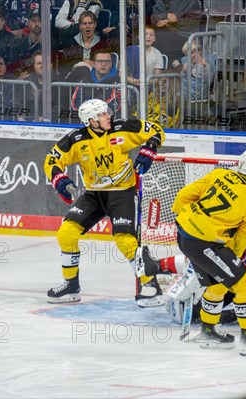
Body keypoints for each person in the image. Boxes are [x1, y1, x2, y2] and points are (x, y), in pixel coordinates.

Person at [43, 98, 166, 307]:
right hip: (94, 194)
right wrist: (59, 180)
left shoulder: (122, 128)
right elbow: (52, 159)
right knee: (67, 233)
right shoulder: (76, 139)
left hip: (122, 193)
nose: (108, 116)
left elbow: (156, 130)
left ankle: (151, 286)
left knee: (125, 242)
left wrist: (149, 150)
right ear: (91, 121)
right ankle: (71, 286)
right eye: (102, 114)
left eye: (107, 112)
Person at [169, 149, 246, 356]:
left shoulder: (219, 174)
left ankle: (208, 331)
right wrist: (233, 256)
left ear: (239, 164)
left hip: (184, 234)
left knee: (218, 285)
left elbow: (183, 196)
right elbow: (244, 236)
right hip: (204, 243)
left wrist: (186, 222)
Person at [66, 49, 121, 113]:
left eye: (107, 61)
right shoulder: (83, 80)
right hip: (84, 119)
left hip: (106, 120)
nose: (103, 64)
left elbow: (114, 107)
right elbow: (75, 104)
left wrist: (89, 106)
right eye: (99, 61)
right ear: (94, 64)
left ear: (111, 64)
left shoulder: (118, 81)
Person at [59, 10, 111, 75]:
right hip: (74, 78)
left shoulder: (103, 45)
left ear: (95, 24)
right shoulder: (70, 43)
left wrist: (93, 64)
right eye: (84, 24)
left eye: (90, 23)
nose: (87, 26)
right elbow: (64, 67)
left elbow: (106, 67)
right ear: (80, 26)